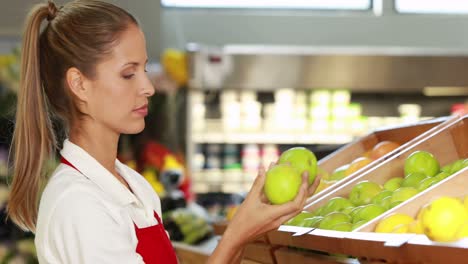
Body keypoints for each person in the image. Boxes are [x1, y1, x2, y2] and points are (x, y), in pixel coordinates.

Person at [7, 1, 320, 263]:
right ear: (79, 85)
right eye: (128, 74)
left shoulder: (134, 186)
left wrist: (245, 232)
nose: (148, 87)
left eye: (144, 70)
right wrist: (236, 232)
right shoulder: (78, 204)